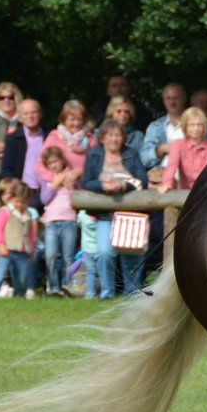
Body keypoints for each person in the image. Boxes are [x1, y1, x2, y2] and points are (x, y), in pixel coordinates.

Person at [82, 119, 149, 298]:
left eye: (117, 135)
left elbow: (143, 180)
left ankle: (132, 294)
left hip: (130, 214)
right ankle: (107, 293)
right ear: (102, 137)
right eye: (110, 135)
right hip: (104, 215)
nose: (113, 138)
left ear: (123, 137)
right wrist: (104, 185)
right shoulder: (93, 154)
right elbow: (86, 182)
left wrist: (122, 186)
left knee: (132, 255)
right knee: (104, 253)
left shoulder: (132, 153)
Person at [38, 146, 80, 295]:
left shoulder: (71, 176)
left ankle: (67, 287)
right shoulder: (48, 179)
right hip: (51, 222)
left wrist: (72, 188)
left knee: (68, 256)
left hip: (69, 220)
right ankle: (53, 287)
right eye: (50, 163)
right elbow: (44, 199)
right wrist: (55, 185)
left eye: (55, 161)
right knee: (51, 255)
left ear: (62, 160)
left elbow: (78, 200)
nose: (53, 165)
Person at [0, 180, 40, 298]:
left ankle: (20, 293)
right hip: (7, 248)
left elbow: (30, 234)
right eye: (16, 201)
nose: (19, 204)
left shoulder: (28, 215)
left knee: (22, 275)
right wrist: (0, 244)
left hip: (22, 250)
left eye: (22, 202)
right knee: (0, 272)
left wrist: (31, 250)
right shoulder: (5, 212)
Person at [155, 107, 207, 192]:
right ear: (185, 126)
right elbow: (171, 166)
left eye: (199, 125)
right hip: (185, 192)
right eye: (192, 125)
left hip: (206, 190)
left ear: (204, 126)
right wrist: (167, 184)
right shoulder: (178, 144)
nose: (196, 129)